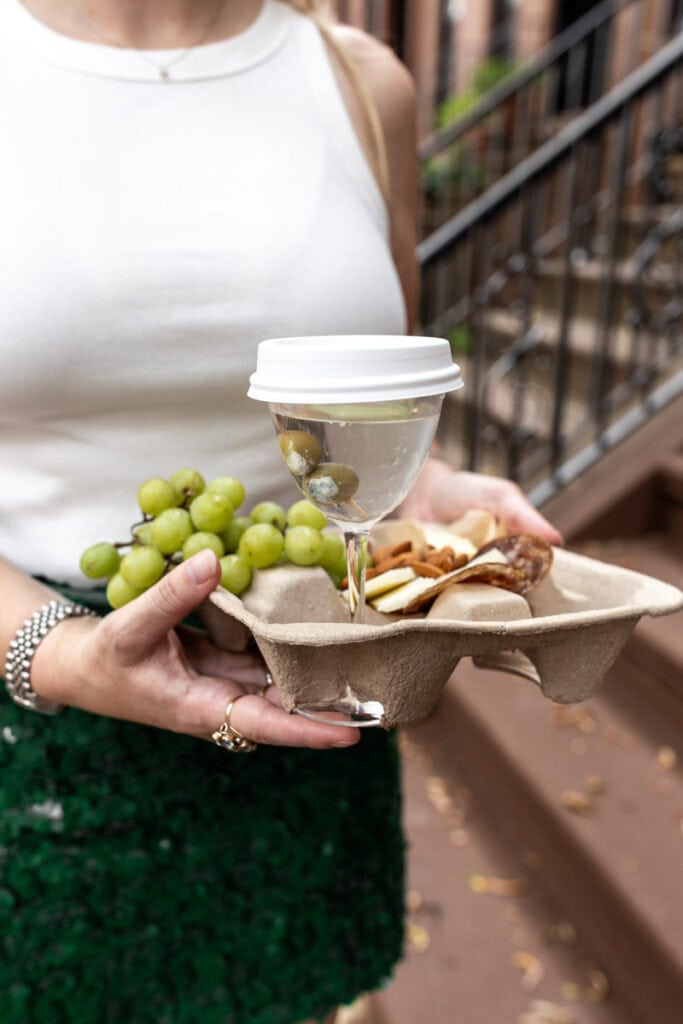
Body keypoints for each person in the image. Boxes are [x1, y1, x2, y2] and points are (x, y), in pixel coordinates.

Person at [0, 2, 562, 1022]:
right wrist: (62, 652)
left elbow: (373, 398)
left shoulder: (357, 82)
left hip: (307, 703)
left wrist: (425, 495)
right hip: (29, 741)